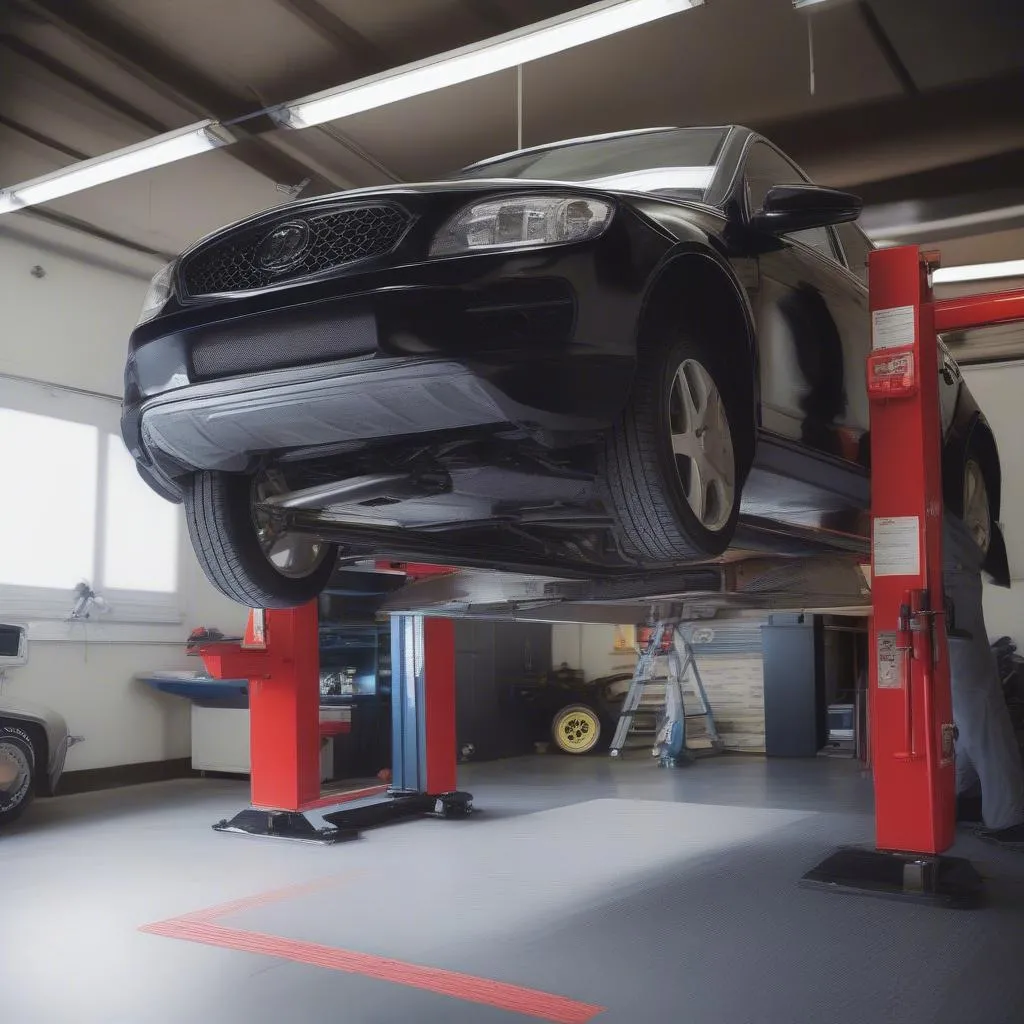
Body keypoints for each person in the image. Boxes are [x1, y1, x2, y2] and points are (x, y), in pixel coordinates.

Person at [944, 512, 1024, 846]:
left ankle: (1007, 817)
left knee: (978, 709)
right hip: (950, 576)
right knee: (966, 712)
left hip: (949, 579)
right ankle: (964, 796)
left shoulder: (943, 491)